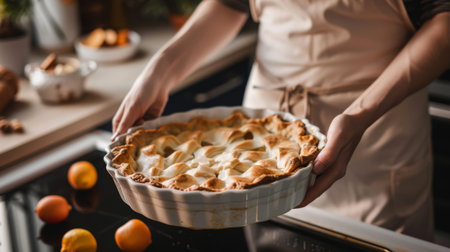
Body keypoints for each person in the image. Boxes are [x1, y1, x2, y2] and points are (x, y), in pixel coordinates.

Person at [112, 0, 450, 241]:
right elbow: (231, 4)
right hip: (258, 143)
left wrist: (359, 115)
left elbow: (444, 23)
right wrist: (161, 70)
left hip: (373, 128)